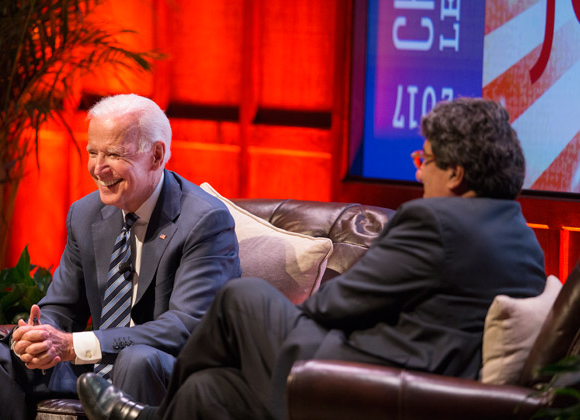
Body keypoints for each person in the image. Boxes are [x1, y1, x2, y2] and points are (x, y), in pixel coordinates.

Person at [75, 97, 547, 420]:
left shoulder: (437, 221)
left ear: (458, 174)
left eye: (425, 160)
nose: (417, 169)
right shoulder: (525, 239)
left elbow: (333, 305)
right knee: (208, 391)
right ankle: (164, 411)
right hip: (422, 380)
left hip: (372, 376)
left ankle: (151, 415)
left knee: (243, 299)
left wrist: (267, 335)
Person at [0, 94, 241, 420]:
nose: (97, 167)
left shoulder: (204, 221)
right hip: (93, 367)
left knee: (137, 359)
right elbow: (61, 309)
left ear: (156, 155)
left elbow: (185, 327)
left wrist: (77, 345)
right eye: (92, 152)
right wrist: (41, 337)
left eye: (113, 154)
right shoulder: (85, 214)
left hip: (168, 370)